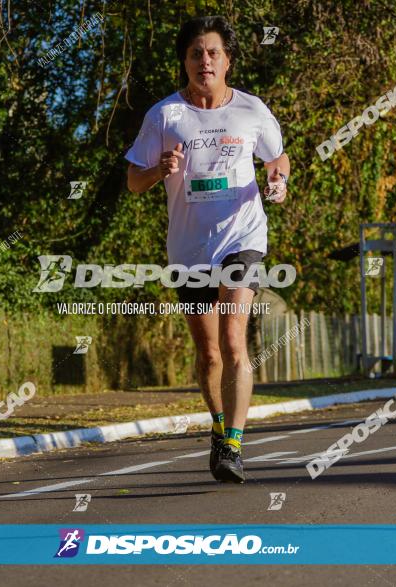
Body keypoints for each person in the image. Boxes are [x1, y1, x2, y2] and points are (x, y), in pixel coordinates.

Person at [125, 16, 290, 483]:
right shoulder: (164, 116)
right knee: (210, 355)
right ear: (185, 62)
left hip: (242, 237)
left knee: (235, 341)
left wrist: (278, 179)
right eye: (196, 53)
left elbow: (278, 157)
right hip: (190, 248)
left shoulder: (251, 110)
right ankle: (219, 430)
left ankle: (234, 446)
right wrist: (160, 169)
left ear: (228, 61)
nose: (205, 61)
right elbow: (134, 182)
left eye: (213, 53)